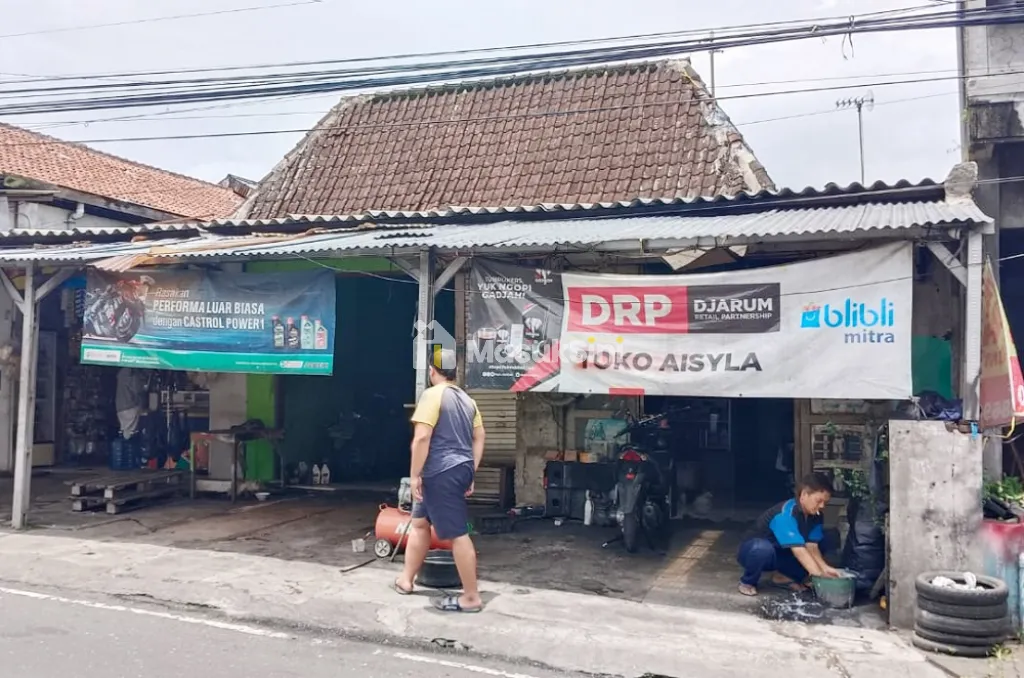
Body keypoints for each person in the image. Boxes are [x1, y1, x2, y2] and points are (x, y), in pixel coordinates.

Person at [393, 348, 486, 613]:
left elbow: (422, 437)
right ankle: (406, 580)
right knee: (420, 523)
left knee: (457, 534)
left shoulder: (432, 395)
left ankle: (471, 597)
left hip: (440, 472)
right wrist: (470, 469)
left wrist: (414, 476)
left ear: (432, 371)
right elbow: (480, 436)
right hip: (455, 469)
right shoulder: (468, 401)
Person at [736, 472, 839, 596]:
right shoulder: (785, 513)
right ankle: (747, 582)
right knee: (762, 549)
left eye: (825, 502)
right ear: (804, 495)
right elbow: (799, 550)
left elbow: (812, 546)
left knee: (828, 538)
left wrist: (824, 568)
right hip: (756, 552)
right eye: (819, 501)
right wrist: (818, 577)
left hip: (782, 552)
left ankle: (781, 577)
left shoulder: (816, 515)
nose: (822, 506)